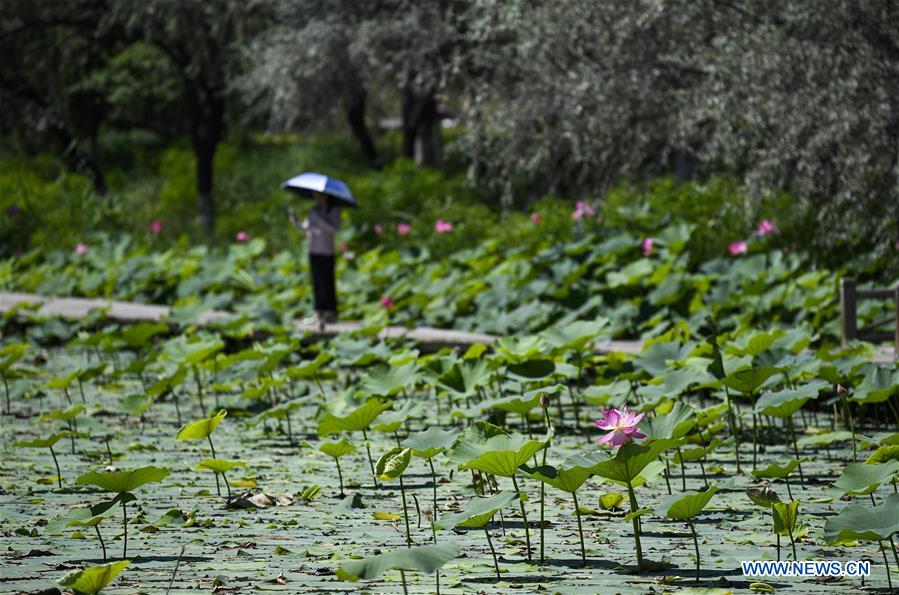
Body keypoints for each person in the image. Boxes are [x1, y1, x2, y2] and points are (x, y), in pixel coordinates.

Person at [289, 192, 342, 326]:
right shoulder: (314, 210)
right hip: (313, 250)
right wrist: (295, 221)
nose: (316, 198)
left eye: (319, 195)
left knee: (327, 282)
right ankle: (319, 312)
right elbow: (306, 229)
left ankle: (330, 312)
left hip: (327, 251)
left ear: (326, 196)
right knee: (317, 282)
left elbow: (334, 229)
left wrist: (320, 219)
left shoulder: (333, 210)